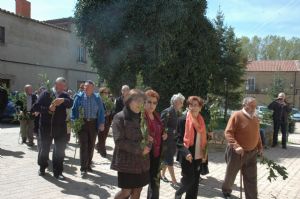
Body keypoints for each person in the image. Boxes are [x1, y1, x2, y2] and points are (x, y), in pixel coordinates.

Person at [111, 89, 150, 199]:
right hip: (126, 162)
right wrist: (139, 149)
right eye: (137, 100)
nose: (140, 104)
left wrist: (149, 144)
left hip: (142, 162)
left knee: (138, 190)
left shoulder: (143, 117)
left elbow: (147, 135)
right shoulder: (120, 117)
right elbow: (119, 141)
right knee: (126, 192)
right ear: (128, 101)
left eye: (142, 101)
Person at [222, 97, 263, 199]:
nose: (254, 107)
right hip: (237, 152)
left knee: (251, 178)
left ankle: (252, 197)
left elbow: (257, 134)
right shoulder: (237, 115)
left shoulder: (255, 118)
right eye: (251, 105)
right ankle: (226, 190)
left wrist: (260, 147)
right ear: (244, 105)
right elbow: (228, 132)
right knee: (231, 175)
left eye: (255, 105)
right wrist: (236, 146)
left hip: (252, 153)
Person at [32, 77, 73, 179]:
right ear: (55, 84)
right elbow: (36, 107)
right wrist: (48, 109)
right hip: (46, 127)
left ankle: (58, 172)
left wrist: (63, 100)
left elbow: (71, 103)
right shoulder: (46, 93)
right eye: (61, 86)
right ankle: (42, 167)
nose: (63, 88)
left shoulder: (64, 95)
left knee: (60, 150)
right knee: (44, 149)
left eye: (64, 86)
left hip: (60, 127)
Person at [175, 96, 207, 199]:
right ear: (188, 106)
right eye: (191, 105)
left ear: (200, 107)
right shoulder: (182, 120)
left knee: (195, 182)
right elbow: (178, 140)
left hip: (198, 155)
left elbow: (203, 139)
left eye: (196, 105)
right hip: (187, 155)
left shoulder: (202, 121)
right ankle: (179, 193)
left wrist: (205, 153)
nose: (193, 107)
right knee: (189, 179)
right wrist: (186, 152)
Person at [71, 80, 105, 176]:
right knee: (83, 145)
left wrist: (101, 123)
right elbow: (74, 110)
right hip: (82, 123)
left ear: (92, 88)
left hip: (93, 124)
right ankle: (83, 168)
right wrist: (74, 121)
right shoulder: (79, 97)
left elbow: (101, 111)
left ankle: (88, 164)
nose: (86, 88)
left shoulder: (97, 98)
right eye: (85, 87)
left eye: (88, 87)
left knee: (91, 145)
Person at [144, 90, 167, 199]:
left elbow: (161, 130)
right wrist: (144, 137)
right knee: (138, 185)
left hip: (156, 153)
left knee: (155, 182)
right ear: (144, 102)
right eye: (149, 102)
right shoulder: (140, 117)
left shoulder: (157, 116)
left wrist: (164, 134)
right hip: (144, 154)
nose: (151, 105)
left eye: (154, 103)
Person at [160, 93, 185, 186]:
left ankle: (162, 175)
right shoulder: (167, 111)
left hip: (173, 140)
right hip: (167, 141)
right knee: (170, 159)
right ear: (175, 102)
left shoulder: (176, 112)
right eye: (181, 102)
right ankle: (174, 181)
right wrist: (173, 130)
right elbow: (162, 126)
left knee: (168, 159)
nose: (182, 104)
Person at [96, 87, 114, 157]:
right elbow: (97, 112)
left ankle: (98, 147)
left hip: (107, 121)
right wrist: (105, 114)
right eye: (105, 93)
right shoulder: (98, 100)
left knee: (104, 136)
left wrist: (108, 113)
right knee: (102, 137)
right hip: (100, 121)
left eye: (107, 93)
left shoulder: (106, 101)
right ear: (101, 93)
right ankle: (103, 151)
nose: (107, 94)